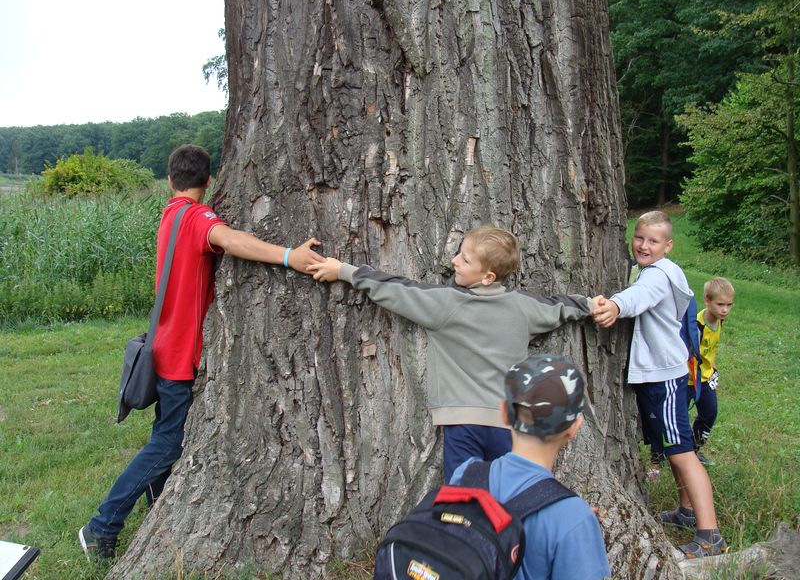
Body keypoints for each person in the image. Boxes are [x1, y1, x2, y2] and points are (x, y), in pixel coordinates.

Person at [78, 145, 324, 560]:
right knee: (168, 444)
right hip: (177, 355)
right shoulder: (195, 218)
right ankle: (102, 526)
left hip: (162, 346)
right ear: (209, 181)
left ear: (169, 179)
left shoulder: (171, 212)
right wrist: (289, 257)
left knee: (163, 436)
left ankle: (158, 512)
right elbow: (231, 240)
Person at [308, 226, 597, 481]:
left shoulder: (448, 304)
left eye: (465, 259)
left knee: (462, 499)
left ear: (488, 277)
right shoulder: (524, 307)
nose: (454, 261)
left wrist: (344, 271)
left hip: (464, 425)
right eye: (459, 253)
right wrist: (593, 305)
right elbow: (560, 307)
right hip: (508, 426)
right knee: (509, 495)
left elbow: (396, 290)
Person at [593, 211, 728, 558]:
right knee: (674, 448)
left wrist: (615, 305)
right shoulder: (665, 271)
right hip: (665, 374)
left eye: (653, 241)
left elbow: (640, 295)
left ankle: (710, 536)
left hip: (664, 378)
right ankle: (686, 512)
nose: (643, 245)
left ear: (668, 245)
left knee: (682, 452)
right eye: (639, 238)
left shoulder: (657, 276)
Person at [450, 354, 611, 580]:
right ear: (574, 428)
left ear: (505, 413)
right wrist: (573, 524)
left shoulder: (465, 474)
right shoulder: (574, 519)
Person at [687, 277, 735, 465]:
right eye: (720, 304)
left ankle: (694, 449)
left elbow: (711, 349)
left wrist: (713, 369)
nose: (725, 310)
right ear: (707, 300)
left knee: (710, 413)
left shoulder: (720, 321)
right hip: (688, 380)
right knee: (678, 417)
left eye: (729, 305)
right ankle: (668, 454)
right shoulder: (696, 326)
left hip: (706, 378)